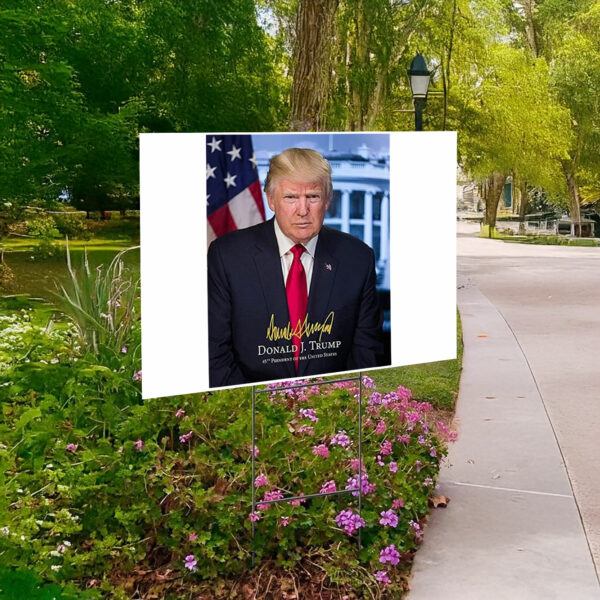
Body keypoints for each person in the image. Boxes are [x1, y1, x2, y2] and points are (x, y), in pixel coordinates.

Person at [207, 147, 384, 387]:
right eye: (290, 197)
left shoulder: (358, 258)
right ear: (271, 199)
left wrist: (333, 404)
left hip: (330, 406)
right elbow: (216, 352)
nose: (303, 210)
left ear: (328, 201)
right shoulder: (227, 255)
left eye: (313, 196)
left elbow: (366, 350)